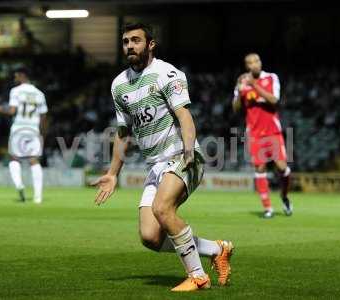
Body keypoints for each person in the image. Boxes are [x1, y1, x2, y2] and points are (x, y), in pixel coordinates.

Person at [92, 23, 234, 292]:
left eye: (135, 40)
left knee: (162, 209)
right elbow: (123, 133)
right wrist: (112, 173)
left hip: (182, 155)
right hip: (155, 165)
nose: (130, 46)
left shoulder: (167, 73)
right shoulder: (119, 85)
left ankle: (197, 276)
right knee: (150, 237)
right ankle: (217, 249)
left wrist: (189, 149)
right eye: (125, 42)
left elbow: (184, 115)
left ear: (150, 44)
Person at [233, 53, 292, 218]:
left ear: (260, 62)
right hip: (254, 134)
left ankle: (284, 196)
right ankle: (268, 208)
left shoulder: (272, 78)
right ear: (247, 66)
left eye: (257, 61)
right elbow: (236, 108)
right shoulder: (242, 81)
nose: (255, 64)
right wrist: (239, 91)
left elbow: (274, 100)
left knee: (282, 168)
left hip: (273, 132)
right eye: (250, 62)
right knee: (260, 168)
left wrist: (254, 86)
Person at [0, 66, 47, 203]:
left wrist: (0, 109)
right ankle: (38, 196)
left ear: (22, 75)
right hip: (33, 129)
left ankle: (19, 184)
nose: (15, 78)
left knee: (14, 158)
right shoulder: (40, 94)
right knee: (34, 160)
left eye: (16, 75)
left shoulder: (16, 91)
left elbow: (12, 111)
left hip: (18, 128)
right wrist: (41, 134)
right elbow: (43, 117)